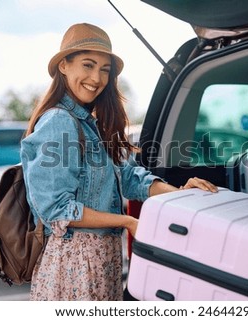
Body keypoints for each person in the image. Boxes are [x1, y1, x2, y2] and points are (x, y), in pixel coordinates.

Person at [20, 23, 217, 301]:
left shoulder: (93, 125)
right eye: (88, 65)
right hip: (74, 264)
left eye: (104, 69)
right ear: (64, 65)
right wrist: (127, 221)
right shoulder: (59, 122)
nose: (97, 78)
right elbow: (57, 210)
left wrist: (181, 194)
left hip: (104, 260)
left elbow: (130, 177)